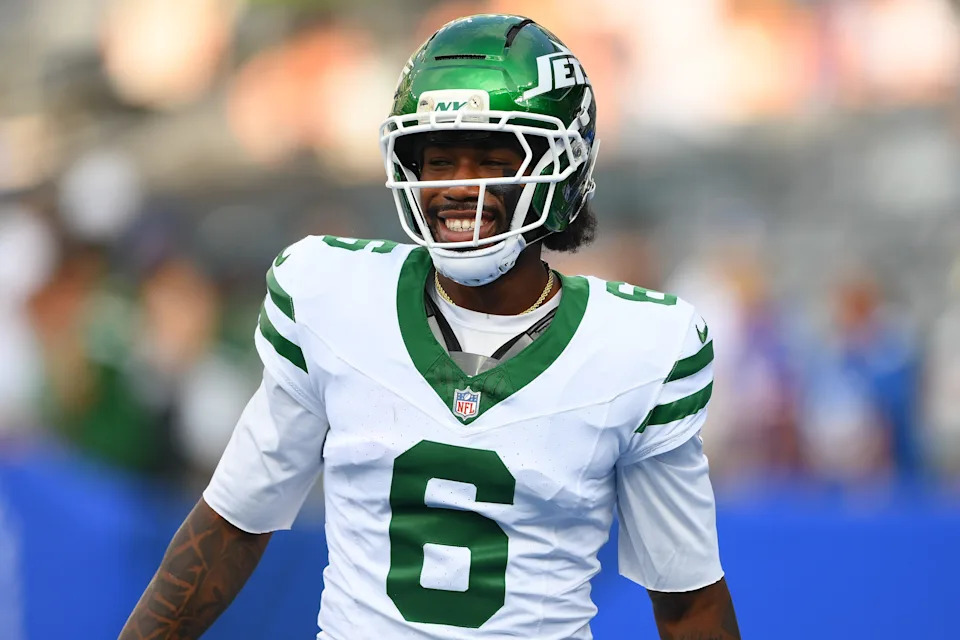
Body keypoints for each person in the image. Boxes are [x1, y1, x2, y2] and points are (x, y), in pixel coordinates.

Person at [119, 15, 739, 640]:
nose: (458, 187)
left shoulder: (638, 349)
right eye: (440, 159)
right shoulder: (331, 297)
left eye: (492, 160)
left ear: (562, 168)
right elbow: (231, 524)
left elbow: (687, 598)